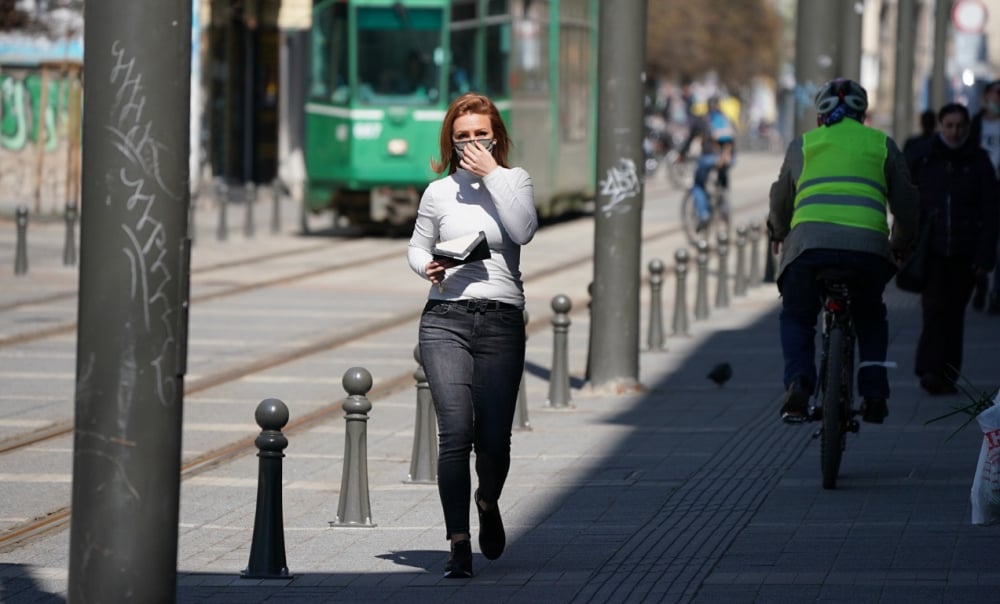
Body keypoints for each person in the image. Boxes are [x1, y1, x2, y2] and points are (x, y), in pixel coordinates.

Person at [406, 92, 537, 578]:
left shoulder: (515, 180)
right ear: (451, 142)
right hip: (445, 319)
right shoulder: (439, 193)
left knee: (494, 441)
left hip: (501, 322)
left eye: (481, 135)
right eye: (462, 138)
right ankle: (458, 544)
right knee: (455, 434)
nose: (472, 144)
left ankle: (487, 499)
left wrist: (492, 175)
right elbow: (416, 249)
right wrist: (428, 266)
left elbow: (523, 230)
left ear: (496, 137)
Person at [767, 78, 919, 424]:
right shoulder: (882, 144)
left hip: (808, 248)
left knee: (797, 316)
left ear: (820, 117)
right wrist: (902, 245)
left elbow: (781, 197)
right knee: (870, 316)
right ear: (863, 115)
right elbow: (907, 204)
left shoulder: (803, 145)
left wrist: (778, 232)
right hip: (868, 251)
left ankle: (799, 384)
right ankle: (875, 390)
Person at [906, 102, 999, 394]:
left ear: (967, 128)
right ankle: (930, 370)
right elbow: (905, 202)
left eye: (960, 126)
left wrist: (985, 256)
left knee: (955, 313)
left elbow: (991, 211)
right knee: (934, 309)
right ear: (940, 127)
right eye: (949, 126)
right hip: (931, 249)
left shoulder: (978, 161)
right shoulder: (922, 158)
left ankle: (947, 373)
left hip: (964, 250)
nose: (955, 132)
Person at [679, 95, 736, 232]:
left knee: (698, 185)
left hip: (708, 157)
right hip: (725, 158)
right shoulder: (727, 120)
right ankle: (723, 206)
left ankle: (704, 214)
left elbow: (689, 139)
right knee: (722, 177)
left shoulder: (702, 120)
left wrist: (681, 154)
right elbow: (733, 141)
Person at [969, 79, 1000, 313]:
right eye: (996, 93)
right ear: (987, 96)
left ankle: (996, 293)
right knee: (978, 240)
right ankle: (980, 284)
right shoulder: (975, 125)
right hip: (979, 189)